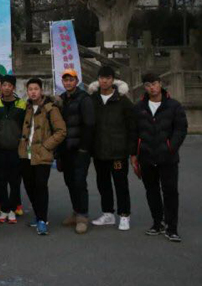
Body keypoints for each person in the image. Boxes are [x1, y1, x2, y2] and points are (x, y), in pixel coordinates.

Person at [133, 73, 187, 242]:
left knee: (170, 192)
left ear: (160, 84)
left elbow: (181, 129)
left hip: (167, 157)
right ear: (144, 87)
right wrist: (134, 154)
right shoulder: (139, 107)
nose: (152, 87)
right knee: (152, 191)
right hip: (146, 156)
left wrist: (171, 147)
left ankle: (172, 228)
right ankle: (157, 223)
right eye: (148, 85)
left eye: (154, 83)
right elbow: (134, 132)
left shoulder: (174, 105)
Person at [88, 66, 136, 231]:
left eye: (108, 78)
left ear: (113, 80)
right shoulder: (92, 100)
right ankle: (107, 213)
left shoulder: (123, 101)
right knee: (103, 184)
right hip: (99, 150)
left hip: (118, 152)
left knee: (121, 185)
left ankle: (124, 215)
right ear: (98, 79)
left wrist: (131, 150)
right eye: (102, 78)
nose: (104, 81)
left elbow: (132, 127)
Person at [20, 78, 67, 236]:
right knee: (29, 186)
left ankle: (42, 219)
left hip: (42, 153)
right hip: (25, 154)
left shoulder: (50, 108)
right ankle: (38, 214)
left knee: (40, 186)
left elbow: (61, 131)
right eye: (30, 89)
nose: (33, 92)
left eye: (36, 89)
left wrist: (46, 146)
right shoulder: (26, 107)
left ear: (41, 90)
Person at [58, 68, 95, 234]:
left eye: (71, 80)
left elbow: (89, 124)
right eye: (65, 80)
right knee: (70, 182)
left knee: (80, 182)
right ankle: (75, 211)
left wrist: (84, 148)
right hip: (65, 148)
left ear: (76, 81)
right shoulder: (61, 99)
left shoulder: (84, 99)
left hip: (80, 148)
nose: (68, 83)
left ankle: (82, 216)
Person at [0, 75, 26, 223]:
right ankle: (4, 209)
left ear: (13, 87)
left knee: (14, 181)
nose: (6, 88)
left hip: (15, 149)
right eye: (4, 85)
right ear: (1, 87)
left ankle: (13, 209)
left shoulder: (22, 104)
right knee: (0, 181)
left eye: (9, 85)